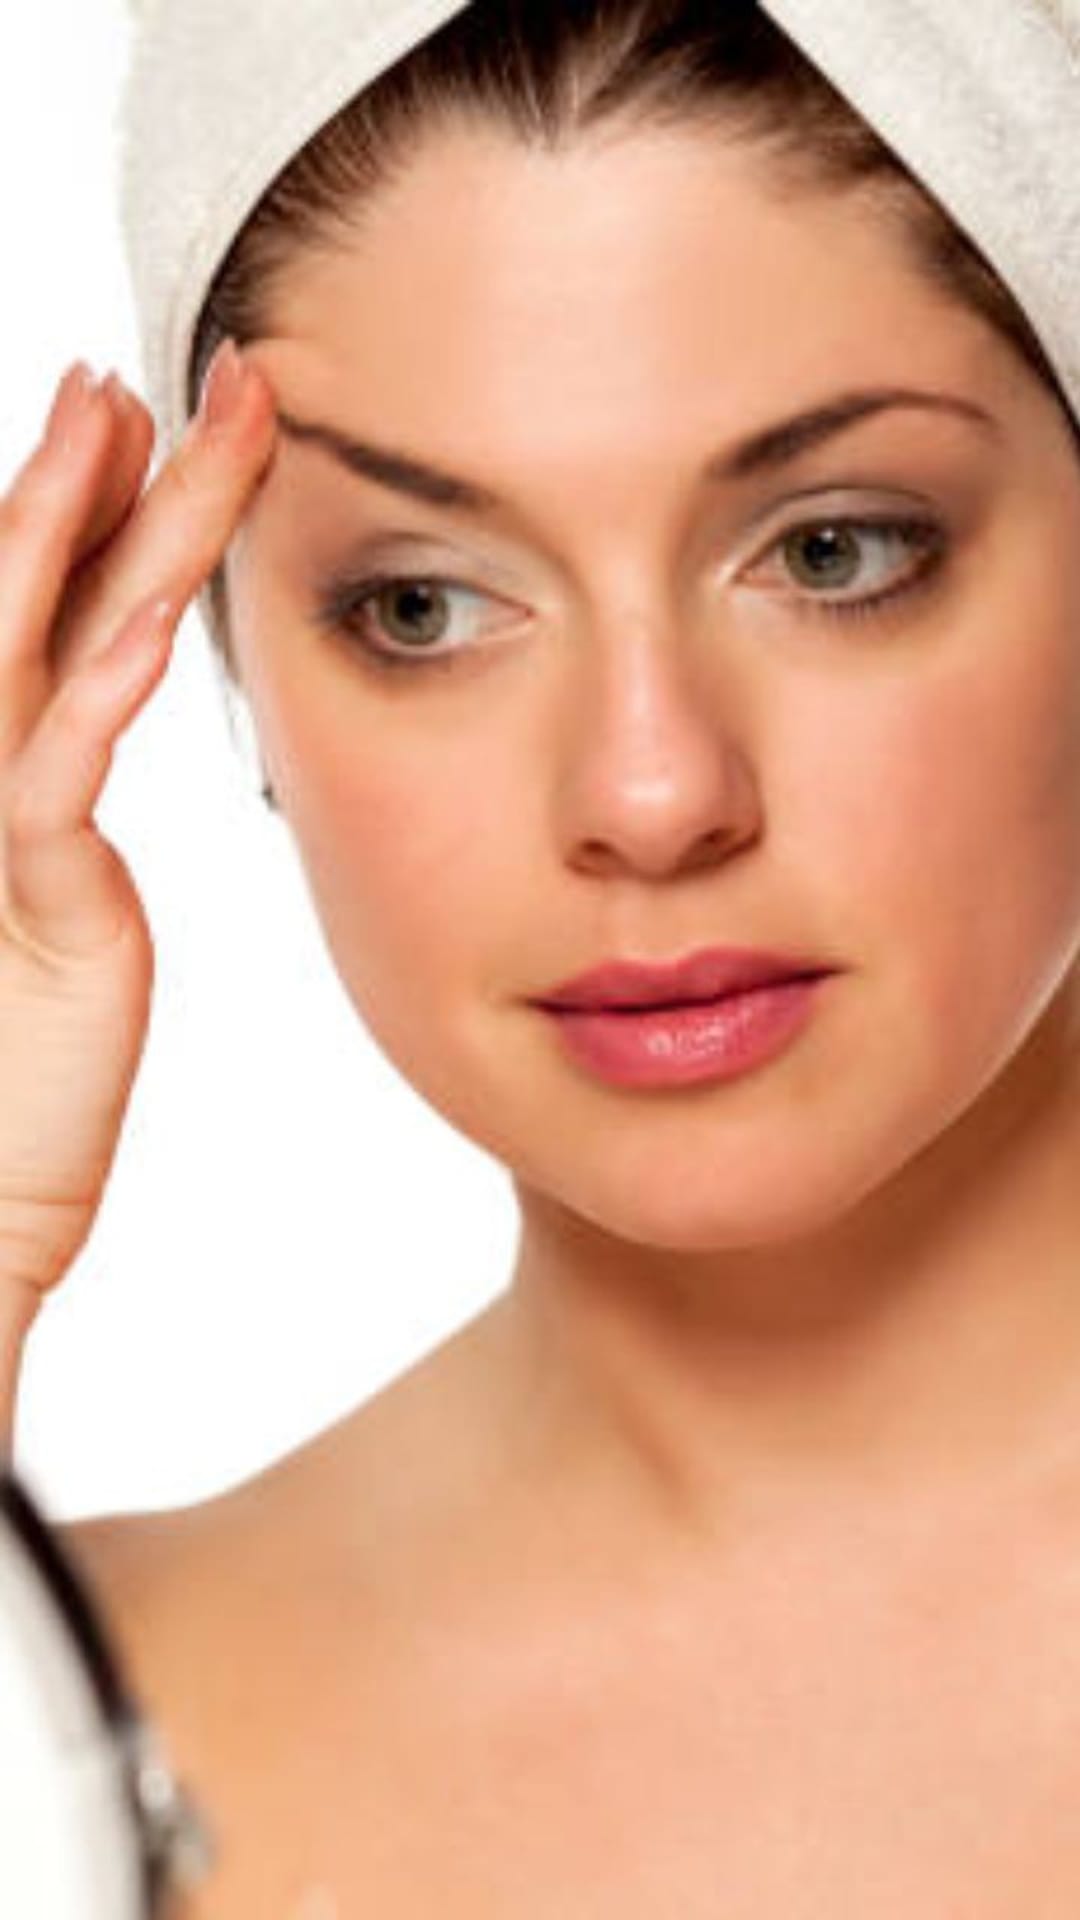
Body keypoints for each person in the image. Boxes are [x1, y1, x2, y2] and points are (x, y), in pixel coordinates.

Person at [4, 0, 1080, 1908]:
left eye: (833, 550)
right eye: (423, 605)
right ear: (225, 656)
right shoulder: (73, 1740)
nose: (652, 794)